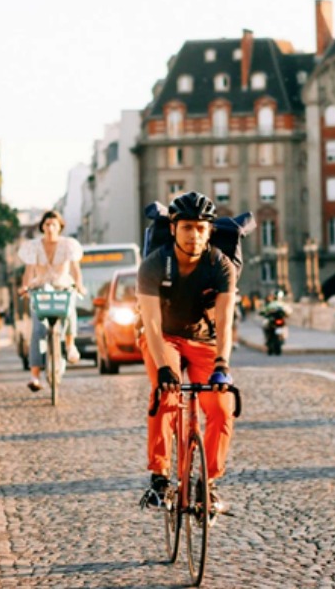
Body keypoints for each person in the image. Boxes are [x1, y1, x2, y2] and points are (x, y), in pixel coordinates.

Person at [137, 191, 236, 514]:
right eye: (187, 228)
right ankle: (160, 478)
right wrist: (165, 367)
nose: (194, 235)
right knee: (166, 394)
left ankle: (207, 484)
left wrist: (222, 364)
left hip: (205, 341)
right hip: (163, 337)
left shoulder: (220, 265)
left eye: (201, 228)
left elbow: (224, 320)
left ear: (209, 232)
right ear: (174, 229)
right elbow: (150, 324)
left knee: (222, 407)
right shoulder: (153, 265)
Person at [17, 210, 85, 392]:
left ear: (60, 227)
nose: (50, 228)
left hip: (62, 288)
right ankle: (35, 376)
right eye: (47, 224)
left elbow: (75, 270)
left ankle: (70, 345)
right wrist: (25, 287)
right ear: (42, 227)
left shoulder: (69, 245)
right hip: (41, 291)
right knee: (38, 330)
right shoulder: (33, 246)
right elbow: (29, 271)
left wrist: (79, 285)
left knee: (70, 309)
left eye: (54, 224)